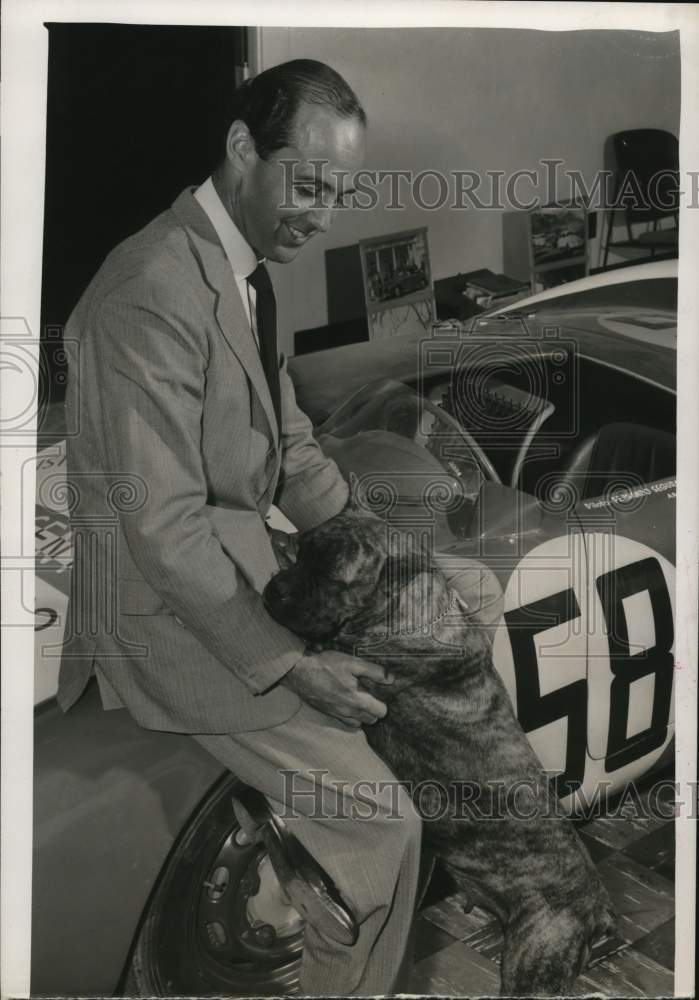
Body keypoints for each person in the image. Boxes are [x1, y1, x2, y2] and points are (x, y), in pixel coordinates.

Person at [57, 59, 422, 996]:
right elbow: (166, 534)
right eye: (308, 185)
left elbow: (289, 448)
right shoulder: (148, 290)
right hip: (161, 620)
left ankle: (309, 886)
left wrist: (381, 551)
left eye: (338, 195)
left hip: (234, 568)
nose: (323, 216)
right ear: (238, 148)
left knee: (444, 617)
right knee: (384, 818)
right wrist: (293, 664)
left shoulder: (241, 264)